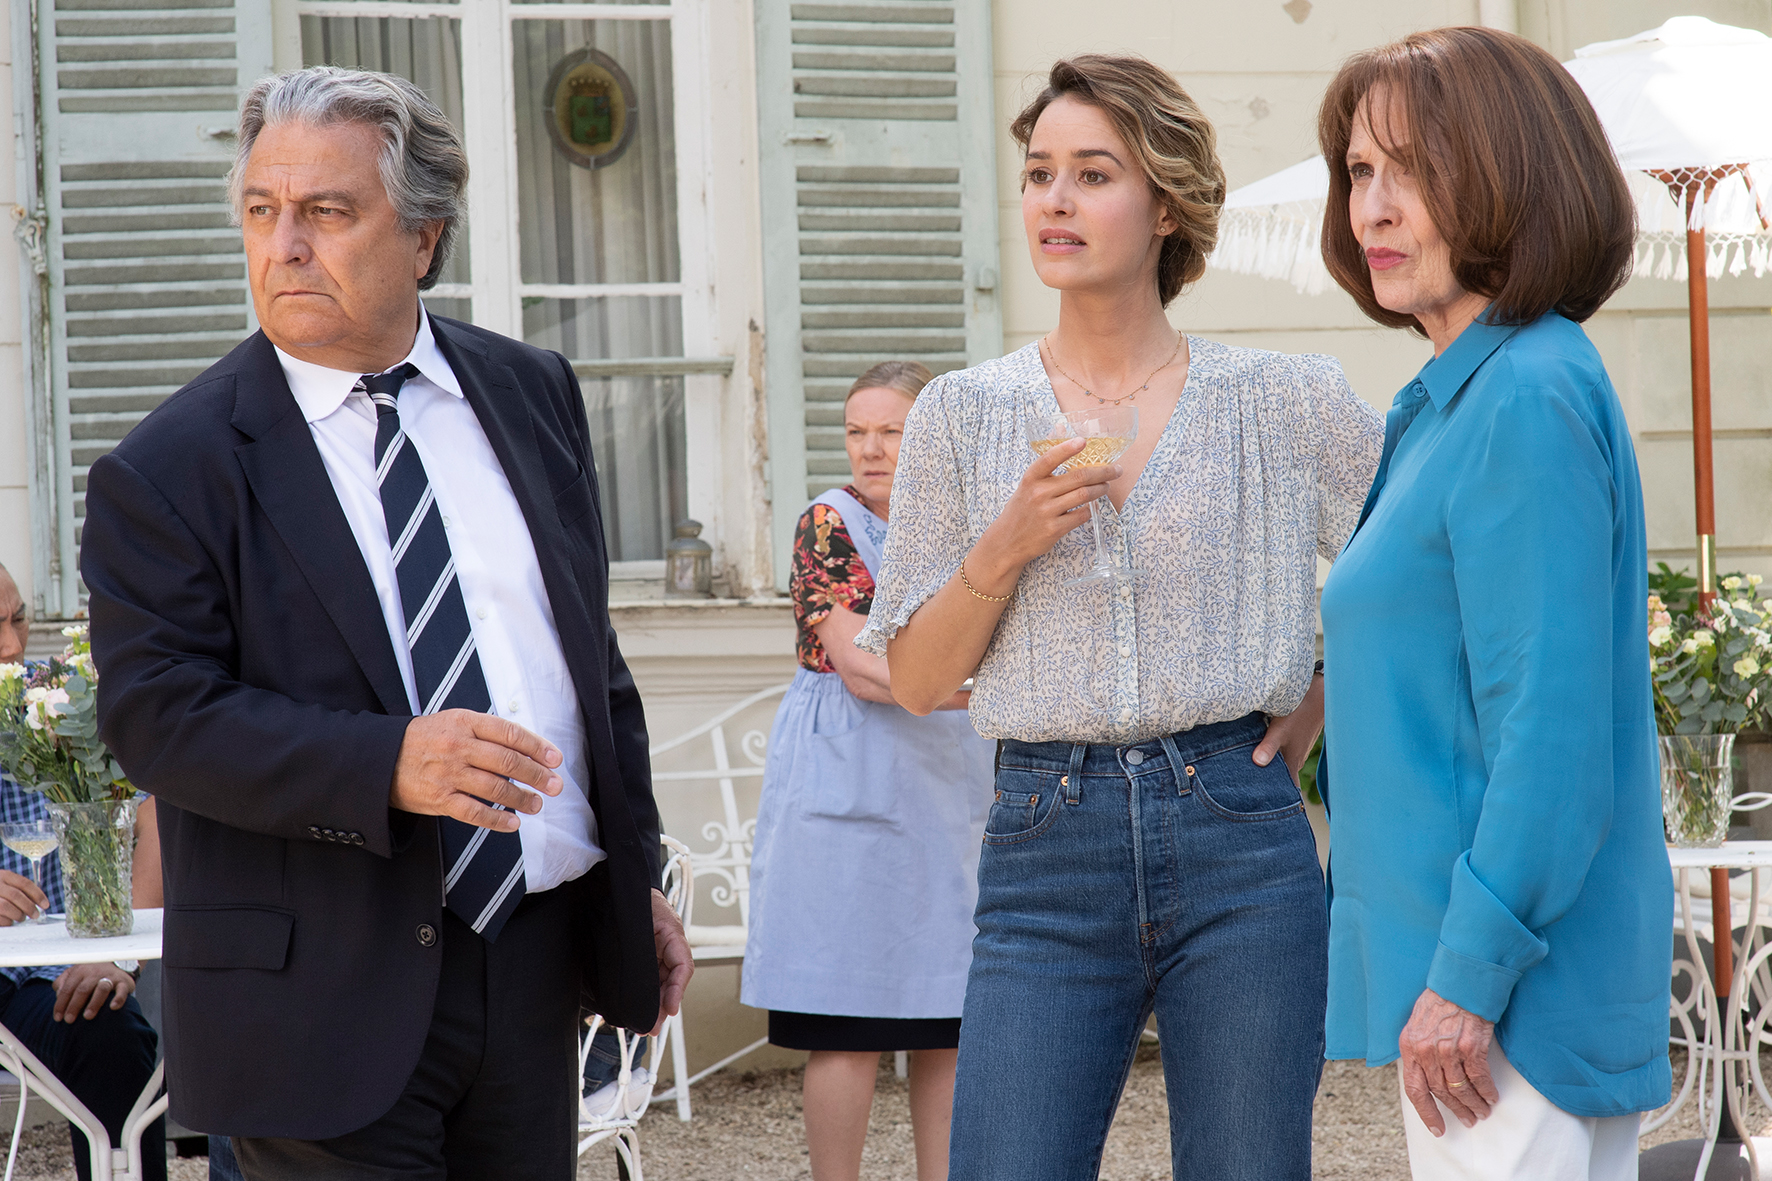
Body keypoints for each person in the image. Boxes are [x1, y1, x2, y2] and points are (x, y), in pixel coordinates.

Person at [79, 66, 691, 1179]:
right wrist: (388, 763)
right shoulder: (168, 467)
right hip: (315, 994)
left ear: (423, 237)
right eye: (262, 210)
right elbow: (157, 718)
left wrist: (626, 872)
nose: (285, 246)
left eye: (327, 210)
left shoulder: (531, 391)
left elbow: (583, 666)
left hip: (530, 959)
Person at [856, 55, 1384, 1180]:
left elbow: (1415, 571)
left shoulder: (1284, 401)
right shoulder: (960, 414)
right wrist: (1005, 542)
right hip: (1043, 844)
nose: (1053, 199)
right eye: (1039, 172)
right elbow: (913, 678)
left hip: (1240, 836)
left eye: (1092, 174)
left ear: (1167, 206)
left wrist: (1323, 691)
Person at [1314, 27, 1673, 1180]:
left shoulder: (1520, 391)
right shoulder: (1454, 400)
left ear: (1510, 177)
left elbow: (1548, 732)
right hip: (1481, 993)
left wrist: (1466, 979)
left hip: (1506, 1009)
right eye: (1357, 170)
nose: (1371, 208)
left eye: (1411, 170)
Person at [743, 360, 994, 1181]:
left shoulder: (969, 523)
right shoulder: (828, 522)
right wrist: (997, 692)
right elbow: (861, 667)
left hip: (948, 783)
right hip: (850, 772)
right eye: (857, 431)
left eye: (891, 430)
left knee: (948, 1019)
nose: (870, 448)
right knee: (845, 1021)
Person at [0, 563, 166, 1181]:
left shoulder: (59, 699)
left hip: (54, 973)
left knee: (111, 1035)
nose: (12, 647)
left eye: (19, 620)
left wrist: (118, 957)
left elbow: (154, 815)